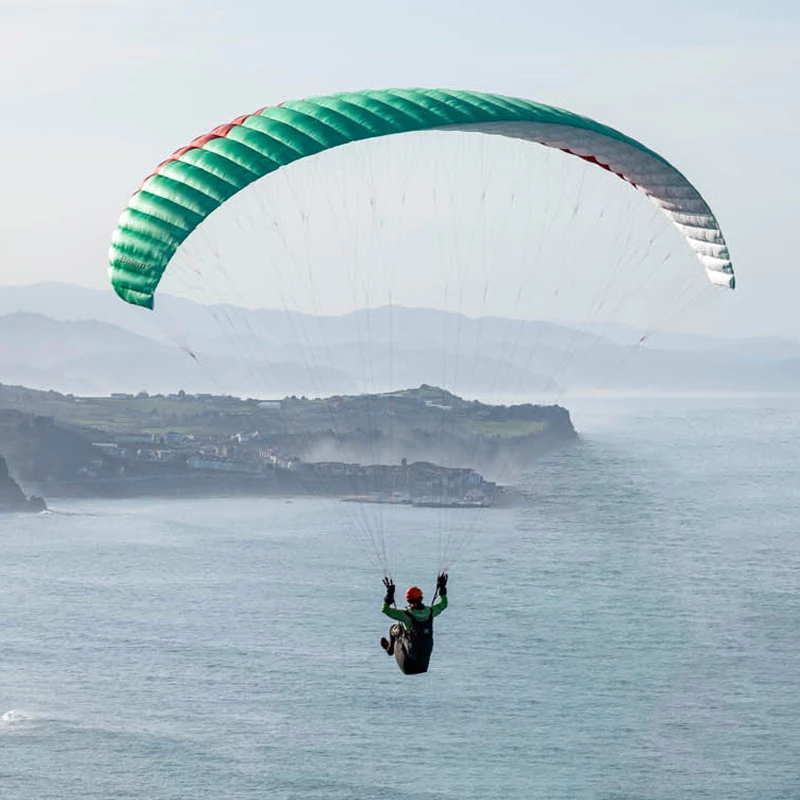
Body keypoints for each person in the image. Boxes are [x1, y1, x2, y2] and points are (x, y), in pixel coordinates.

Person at [380, 574, 448, 674]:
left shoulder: (405, 615)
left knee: (394, 628)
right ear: (421, 598)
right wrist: (442, 588)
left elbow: (385, 609)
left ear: (408, 600)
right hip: (423, 661)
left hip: (408, 661)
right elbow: (444, 603)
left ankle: (390, 649)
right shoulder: (431, 612)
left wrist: (389, 595)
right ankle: (391, 648)